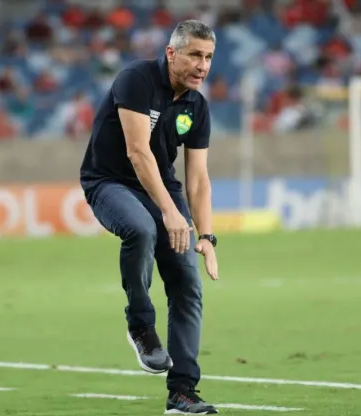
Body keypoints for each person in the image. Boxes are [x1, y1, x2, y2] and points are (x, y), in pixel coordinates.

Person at [79, 20, 220, 415]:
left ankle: (182, 393)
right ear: (172, 53)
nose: (202, 66)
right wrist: (171, 213)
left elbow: (198, 181)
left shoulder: (197, 106)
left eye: (208, 58)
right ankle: (141, 325)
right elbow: (137, 153)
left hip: (162, 189)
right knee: (140, 228)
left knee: (187, 284)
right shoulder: (136, 80)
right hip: (109, 182)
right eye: (195, 55)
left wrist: (206, 237)